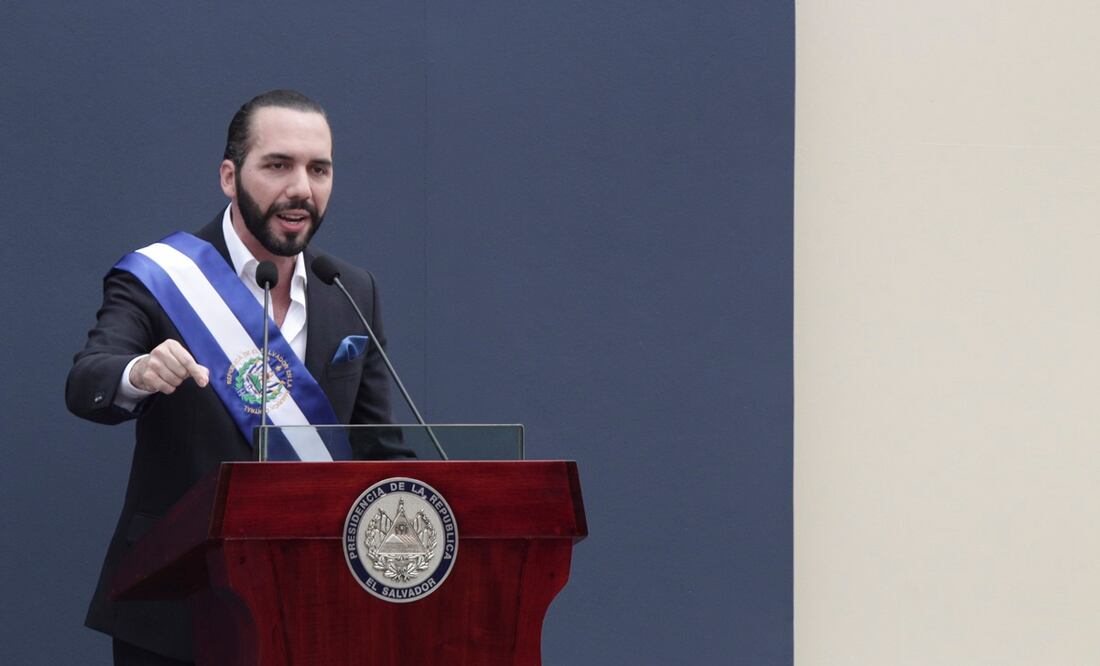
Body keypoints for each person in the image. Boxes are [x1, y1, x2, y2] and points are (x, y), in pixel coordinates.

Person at [66, 90, 407, 665]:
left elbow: (380, 447)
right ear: (230, 176)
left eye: (318, 169)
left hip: (318, 601)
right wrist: (139, 372)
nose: (301, 187)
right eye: (278, 165)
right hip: (179, 604)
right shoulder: (160, 277)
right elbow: (88, 381)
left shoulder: (351, 288)